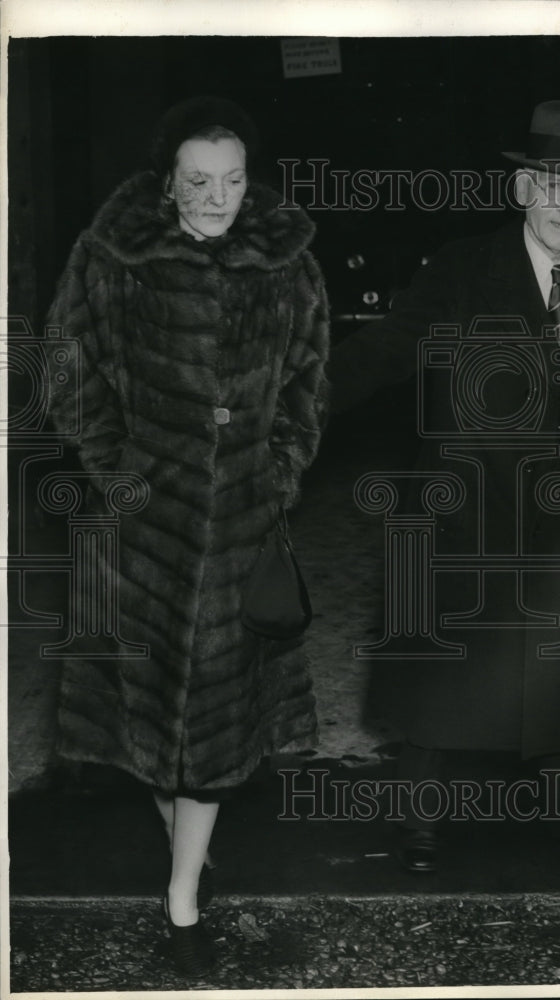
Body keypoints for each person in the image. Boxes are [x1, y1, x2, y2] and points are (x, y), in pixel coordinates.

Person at [328, 100, 560, 873]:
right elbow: (384, 351)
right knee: (445, 679)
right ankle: (418, 830)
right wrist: (291, 396)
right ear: (523, 189)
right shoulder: (464, 269)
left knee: (556, 681)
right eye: (554, 186)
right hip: (468, 509)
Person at [44, 96, 330, 976]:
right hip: (144, 530)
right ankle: (184, 845)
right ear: (168, 180)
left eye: (234, 181)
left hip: (241, 523)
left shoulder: (287, 264)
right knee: (152, 715)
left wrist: (274, 473)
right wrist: (120, 471)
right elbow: (65, 369)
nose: (217, 199)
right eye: (199, 181)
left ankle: (182, 901)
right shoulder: (113, 255)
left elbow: (309, 385)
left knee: (209, 722)